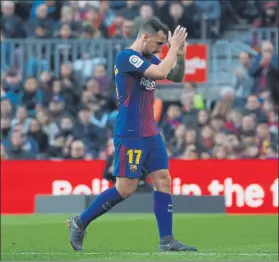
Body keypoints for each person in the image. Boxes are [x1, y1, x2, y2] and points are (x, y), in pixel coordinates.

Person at [67, 18, 197, 252]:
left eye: (163, 46)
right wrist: (173, 49)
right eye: (158, 44)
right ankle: (80, 221)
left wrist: (180, 54)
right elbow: (159, 72)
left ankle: (167, 240)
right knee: (126, 188)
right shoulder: (127, 57)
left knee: (163, 179)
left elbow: (175, 76)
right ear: (144, 37)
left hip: (150, 131)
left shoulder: (148, 58)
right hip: (130, 132)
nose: (160, 49)